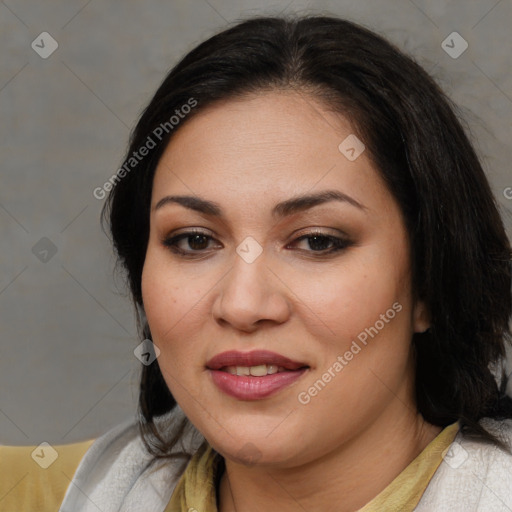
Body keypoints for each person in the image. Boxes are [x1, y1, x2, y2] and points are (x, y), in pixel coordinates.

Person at [2, 14, 512, 512]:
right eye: (195, 240)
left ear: (428, 279)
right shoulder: (34, 496)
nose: (243, 305)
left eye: (316, 242)